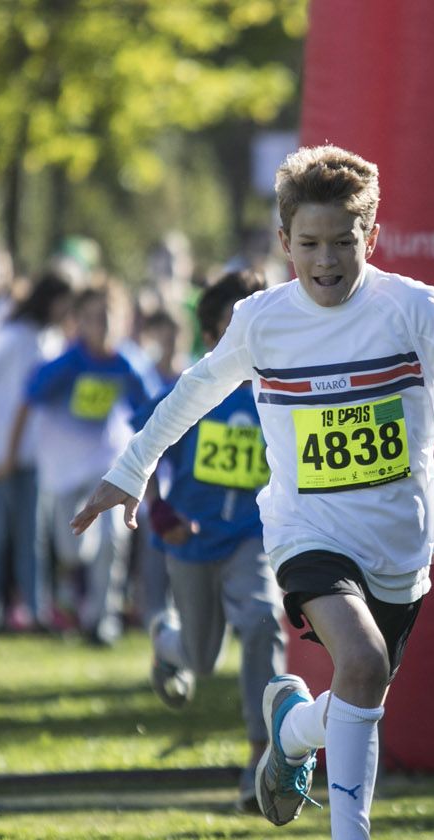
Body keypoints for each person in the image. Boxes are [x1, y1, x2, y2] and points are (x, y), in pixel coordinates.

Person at [72, 145, 434, 840]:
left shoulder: (411, 308)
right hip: (305, 533)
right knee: (363, 663)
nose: (326, 260)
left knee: (361, 689)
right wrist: (131, 470)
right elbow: (193, 391)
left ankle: (290, 729)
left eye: (343, 242)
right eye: (309, 243)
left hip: (401, 547)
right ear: (284, 241)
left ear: (371, 237)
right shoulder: (262, 319)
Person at [135, 269, 284, 811]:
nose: (248, 338)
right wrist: (159, 509)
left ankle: (262, 759)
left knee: (264, 620)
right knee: (200, 660)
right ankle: (164, 639)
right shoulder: (191, 389)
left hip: (251, 535)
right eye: (232, 326)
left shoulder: (281, 391)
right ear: (210, 335)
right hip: (190, 538)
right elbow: (144, 451)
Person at [15, 284, 155, 644]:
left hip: (108, 463)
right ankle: (71, 594)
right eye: (93, 319)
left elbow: (153, 413)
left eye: (108, 318)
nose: (102, 326)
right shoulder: (65, 364)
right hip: (64, 471)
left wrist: (152, 465)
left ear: (122, 321)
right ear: (78, 322)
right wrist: (11, 455)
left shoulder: (129, 363)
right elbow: (29, 398)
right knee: (73, 549)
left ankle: (102, 619)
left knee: (113, 539)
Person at [0, 272, 73, 632]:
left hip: (32, 455)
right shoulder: (12, 337)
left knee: (33, 536)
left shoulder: (52, 338)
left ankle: (36, 611)